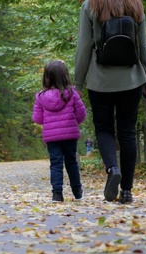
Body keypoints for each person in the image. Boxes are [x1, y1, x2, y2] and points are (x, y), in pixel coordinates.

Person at [74, 0, 146, 204]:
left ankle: (113, 168)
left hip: (99, 80)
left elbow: (84, 45)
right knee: (127, 133)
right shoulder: (135, 5)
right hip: (132, 79)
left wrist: (78, 83)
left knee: (104, 130)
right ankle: (126, 190)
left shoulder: (90, 5)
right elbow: (142, 44)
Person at [32, 60, 87, 202]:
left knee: (55, 164)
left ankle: (57, 193)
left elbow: (37, 118)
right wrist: (73, 123)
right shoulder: (72, 94)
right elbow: (82, 114)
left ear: (46, 77)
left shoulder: (40, 97)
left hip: (51, 137)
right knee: (71, 162)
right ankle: (77, 191)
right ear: (65, 76)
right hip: (70, 135)